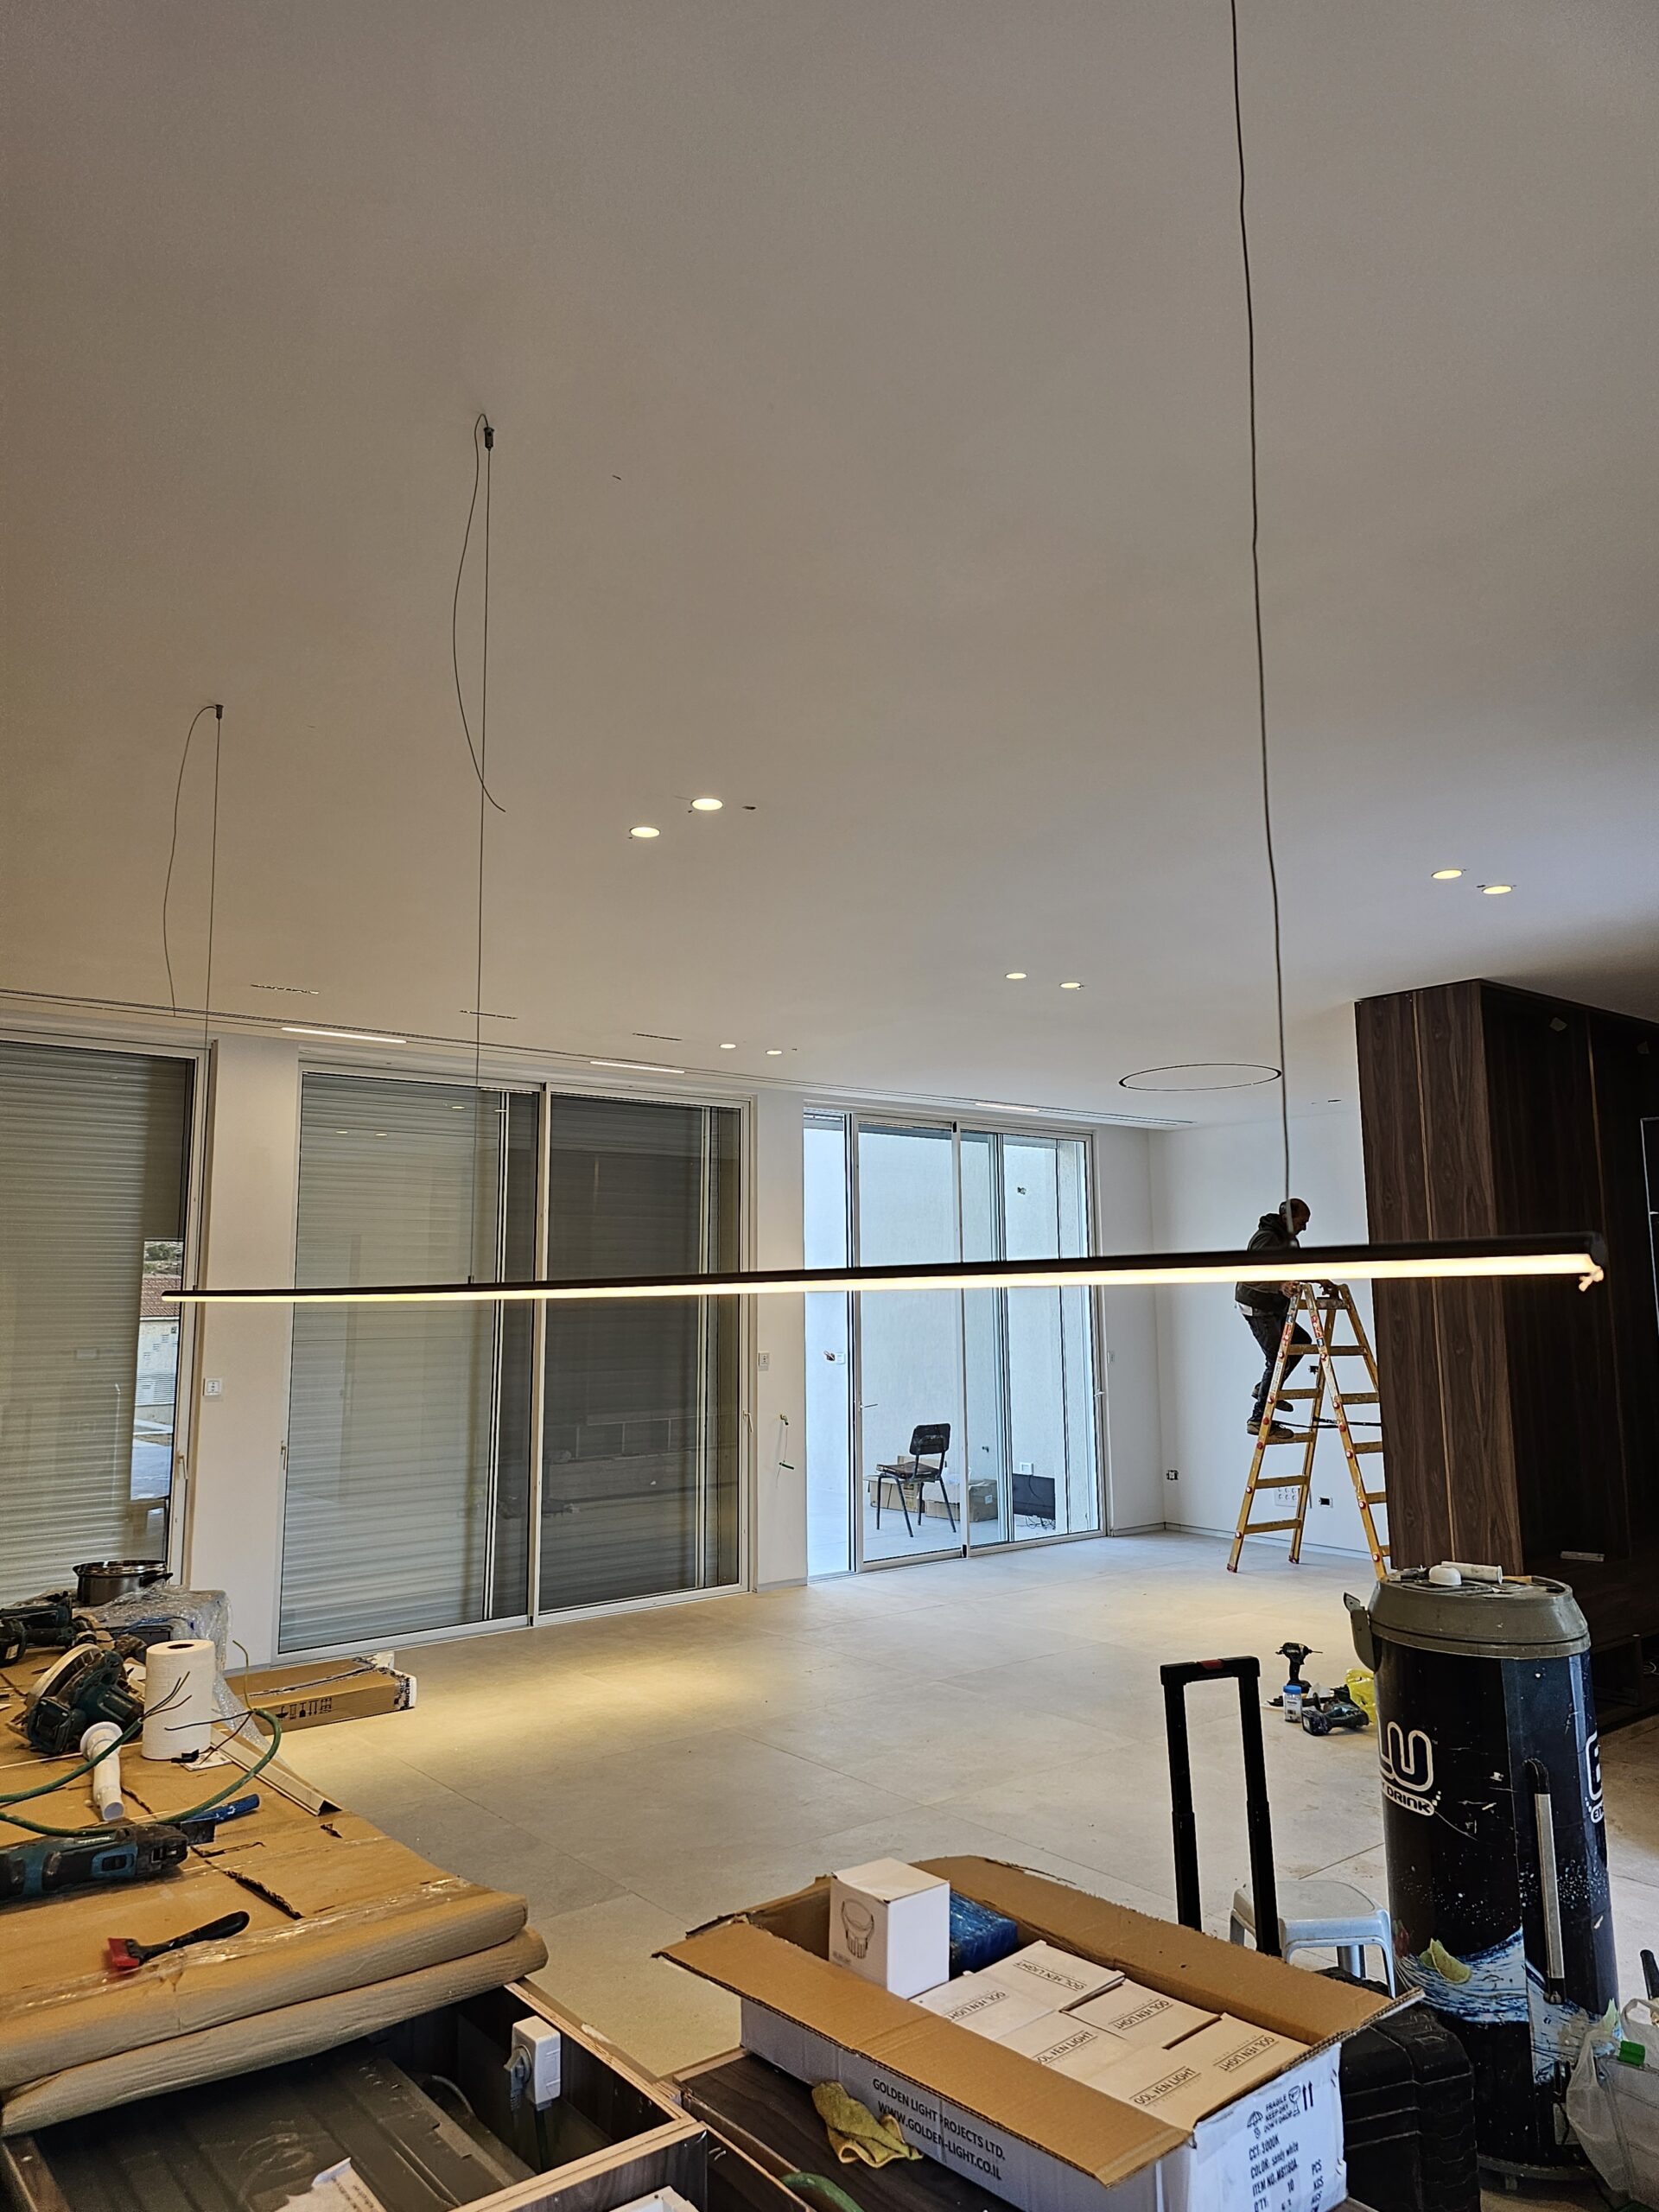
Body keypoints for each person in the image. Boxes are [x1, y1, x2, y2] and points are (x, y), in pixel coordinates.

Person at [1237, 1199, 1311, 1440]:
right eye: (1301, 1222)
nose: (1304, 1228)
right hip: (1258, 1307)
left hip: (1274, 1306)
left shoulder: (1290, 1241)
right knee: (1277, 1358)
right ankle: (1257, 1419)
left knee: (1300, 1342)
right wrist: (1280, 1285)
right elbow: (1250, 1275)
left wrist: (1321, 1280)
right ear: (1286, 1218)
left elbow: (1297, 1270)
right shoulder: (1266, 1238)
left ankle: (1266, 1388)